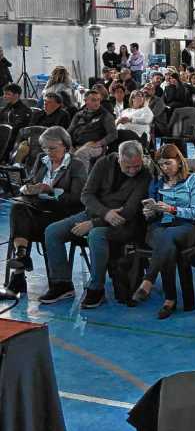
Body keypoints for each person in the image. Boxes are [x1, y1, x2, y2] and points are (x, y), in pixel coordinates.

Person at [41, 141, 151, 307]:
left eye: (136, 166)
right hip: (95, 214)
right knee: (52, 231)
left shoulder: (145, 174)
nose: (133, 171)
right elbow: (86, 195)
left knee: (96, 234)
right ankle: (62, 284)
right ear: (119, 159)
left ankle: (96, 289)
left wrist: (94, 223)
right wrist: (105, 214)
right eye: (128, 166)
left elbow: (130, 210)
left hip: (126, 224)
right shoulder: (104, 163)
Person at [4, 127, 89, 295]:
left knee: (22, 218)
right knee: (18, 207)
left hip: (63, 214)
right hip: (37, 209)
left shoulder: (76, 165)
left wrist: (51, 191)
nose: (48, 152)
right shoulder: (41, 159)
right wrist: (29, 187)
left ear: (65, 145)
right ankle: (22, 257)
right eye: (44, 148)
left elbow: (79, 198)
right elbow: (31, 181)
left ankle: (19, 276)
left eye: (52, 148)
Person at [132, 144, 195, 319]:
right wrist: (150, 212)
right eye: (161, 164)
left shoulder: (193, 180)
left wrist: (172, 209)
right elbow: (152, 214)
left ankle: (149, 281)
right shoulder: (157, 182)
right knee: (167, 245)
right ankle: (169, 300)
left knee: (167, 237)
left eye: (168, 163)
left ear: (179, 162)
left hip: (185, 227)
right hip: (159, 226)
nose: (165, 168)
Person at [68, 90, 117, 162]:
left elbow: (113, 134)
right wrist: (67, 142)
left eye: (98, 100)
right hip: (75, 144)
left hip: (95, 146)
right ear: (85, 101)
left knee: (81, 154)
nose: (97, 103)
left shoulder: (106, 115)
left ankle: (80, 172)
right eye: (94, 100)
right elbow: (70, 130)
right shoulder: (79, 115)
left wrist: (99, 143)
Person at [0, 83, 34, 153]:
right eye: (4, 94)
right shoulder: (7, 107)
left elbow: (15, 129)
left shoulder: (25, 111)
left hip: (13, 140)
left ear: (16, 95)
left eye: (7, 94)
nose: (4, 96)